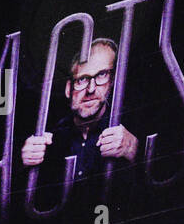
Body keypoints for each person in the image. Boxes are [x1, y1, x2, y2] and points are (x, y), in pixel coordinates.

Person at [20, 38, 139, 178]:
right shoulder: (52, 137)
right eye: (82, 79)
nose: (91, 89)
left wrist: (135, 152)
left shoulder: (130, 124)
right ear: (68, 88)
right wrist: (25, 164)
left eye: (102, 75)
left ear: (111, 83)